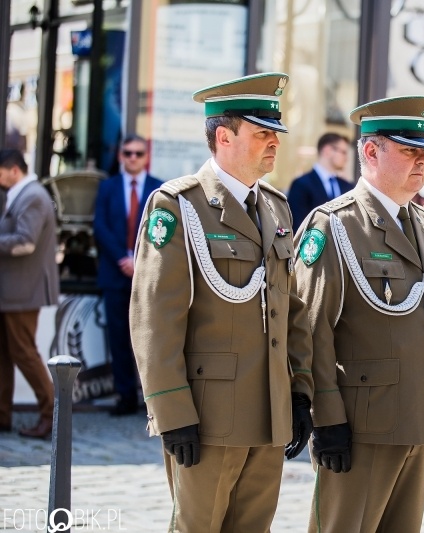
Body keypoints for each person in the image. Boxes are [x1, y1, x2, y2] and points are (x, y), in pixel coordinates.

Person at [129, 73, 314, 532]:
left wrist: (300, 392)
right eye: (262, 133)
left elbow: (290, 310)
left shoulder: (275, 207)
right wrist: (171, 412)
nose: (274, 143)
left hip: (269, 414)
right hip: (208, 417)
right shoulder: (177, 206)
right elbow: (155, 317)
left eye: (275, 133)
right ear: (224, 136)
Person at [295, 96, 424, 533]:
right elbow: (311, 331)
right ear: (370, 152)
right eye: (409, 151)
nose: (421, 163)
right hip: (362, 427)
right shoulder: (334, 225)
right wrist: (325, 418)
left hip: (420, 421)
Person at [93, 134, 161, 416]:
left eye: (137, 153)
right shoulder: (107, 188)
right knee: (119, 339)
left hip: (147, 277)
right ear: (120, 156)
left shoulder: (160, 189)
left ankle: (153, 401)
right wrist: (123, 258)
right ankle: (125, 398)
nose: (132, 158)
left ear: (145, 157)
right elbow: (100, 226)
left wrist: (139, 260)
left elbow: (161, 230)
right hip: (115, 274)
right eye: (127, 153)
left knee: (150, 339)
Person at [0, 148, 59, 439]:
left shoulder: (32, 195)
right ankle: (3, 415)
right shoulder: (26, 194)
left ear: (13, 170)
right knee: (6, 354)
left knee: (25, 354)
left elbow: (25, 242)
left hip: (23, 290)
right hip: (14, 290)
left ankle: (52, 416)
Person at [287, 132, 354, 231]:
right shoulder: (301, 185)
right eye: (343, 152)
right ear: (327, 150)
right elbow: (298, 227)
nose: (346, 158)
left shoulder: (347, 186)